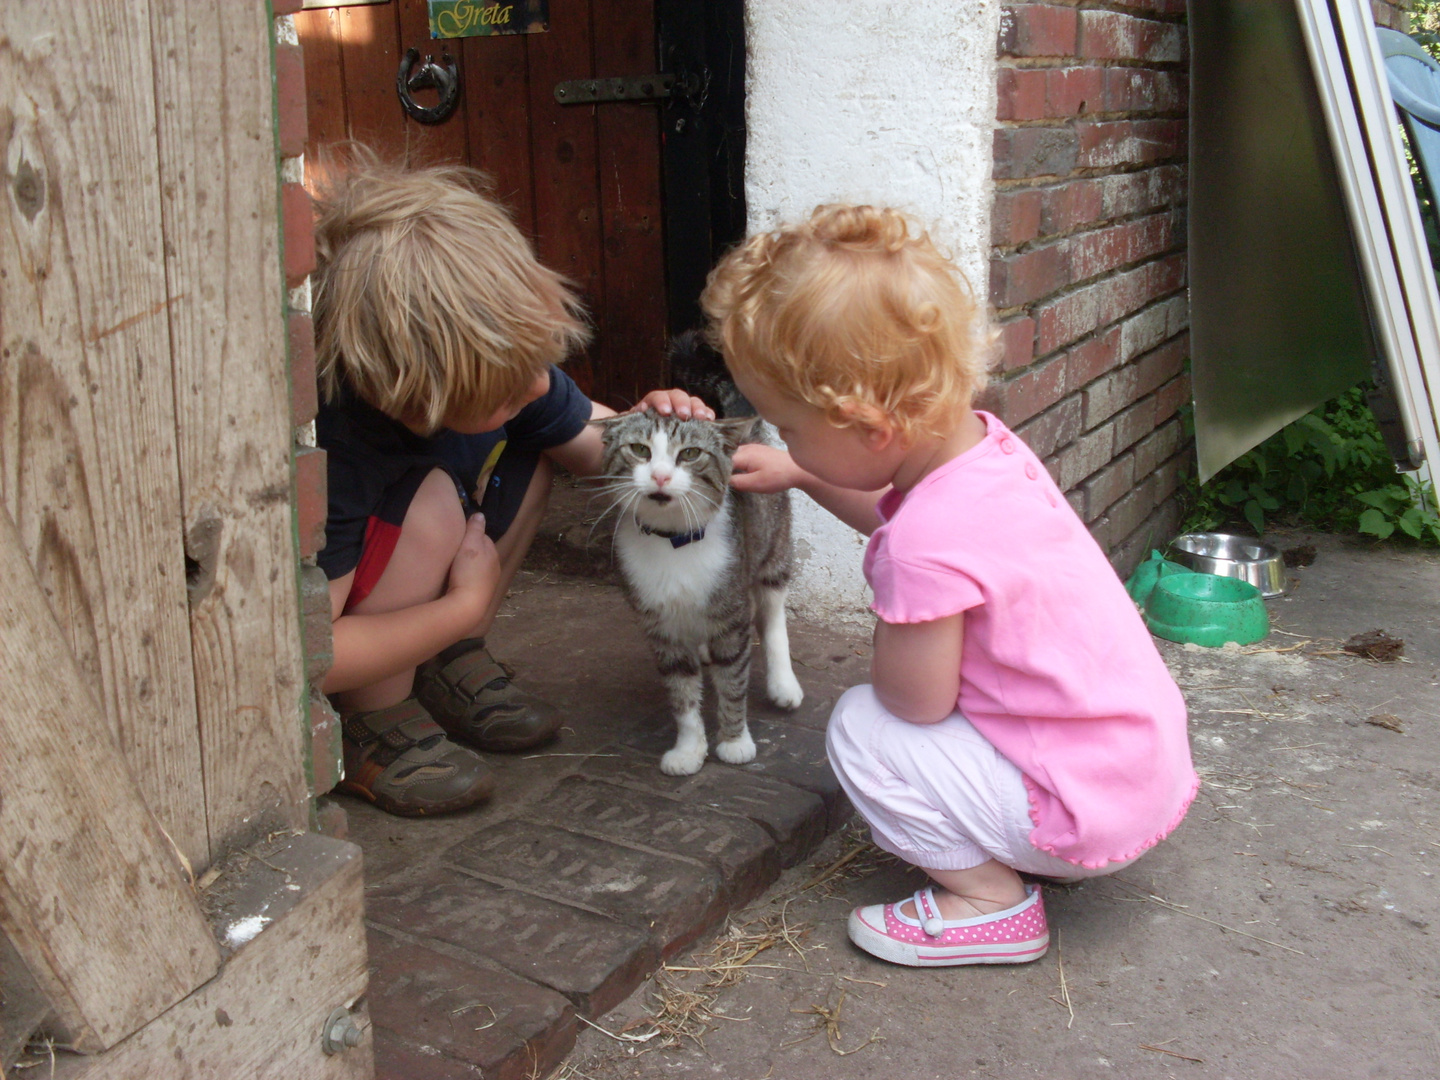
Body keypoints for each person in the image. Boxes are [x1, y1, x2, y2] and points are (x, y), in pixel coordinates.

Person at [701, 204, 1197, 967]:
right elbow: (899, 516)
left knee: (864, 730)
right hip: (1137, 769)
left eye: (791, 430)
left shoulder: (925, 546)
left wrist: (894, 614)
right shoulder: (982, 455)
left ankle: (991, 904)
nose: (783, 442)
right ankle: (1020, 848)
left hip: (1084, 812)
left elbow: (916, 702)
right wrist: (803, 473)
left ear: (870, 430)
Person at [312, 155, 711, 817]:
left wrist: (668, 438)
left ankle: (438, 660)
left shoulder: (503, 372)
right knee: (436, 507)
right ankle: (369, 718)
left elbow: (592, 441)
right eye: (511, 381)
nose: (537, 383)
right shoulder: (336, 456)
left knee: (538, 449)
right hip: (360, 637)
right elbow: (310, 656)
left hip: (433, 591)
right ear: (420, 390)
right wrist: (460, 610)